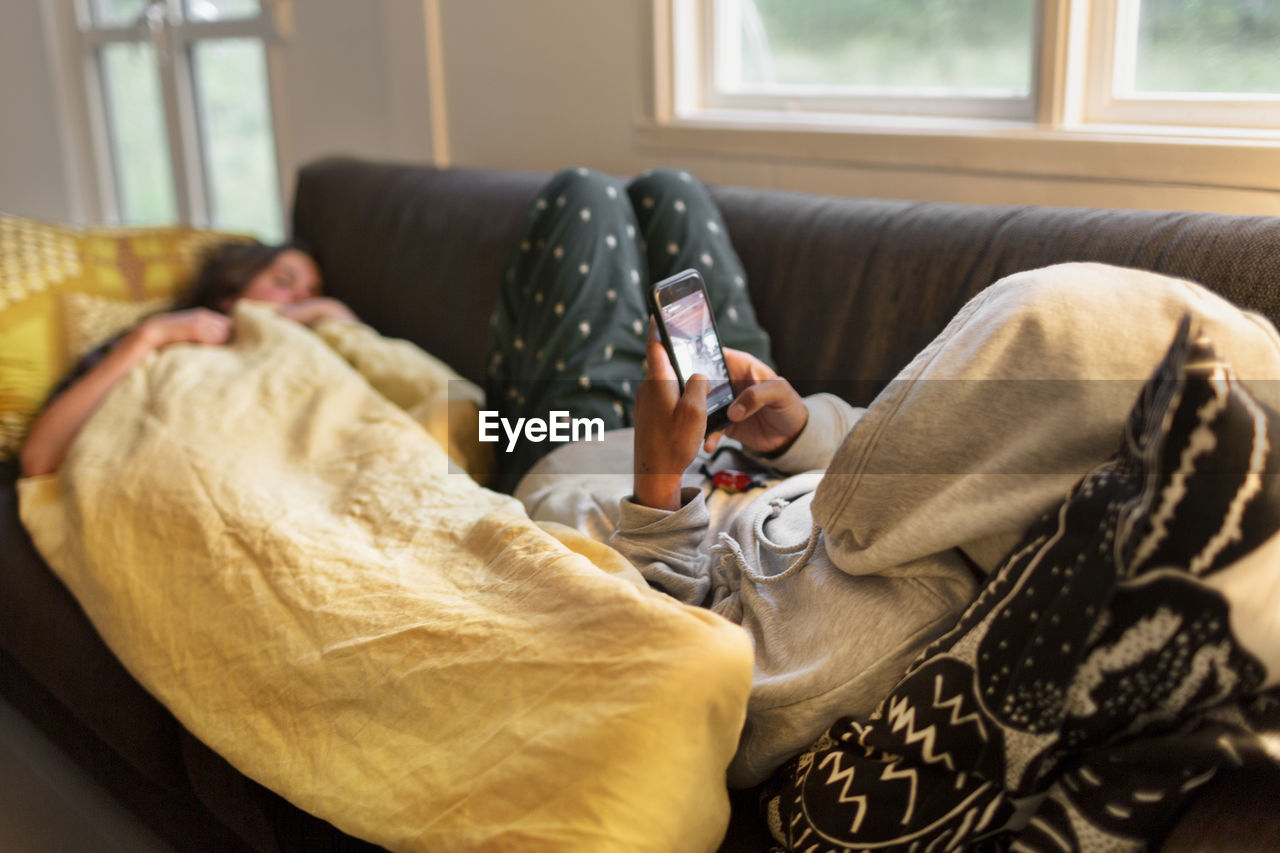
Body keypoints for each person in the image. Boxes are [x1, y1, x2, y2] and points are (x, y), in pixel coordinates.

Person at [485, 166, 1280, 845]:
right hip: (737, 449)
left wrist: (658, 477)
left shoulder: (848, 651)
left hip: (594, 471)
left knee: (581, 196)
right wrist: (798, 428)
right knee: (671, 189)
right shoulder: (968, 501)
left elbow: (660, 663)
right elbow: (903, 453)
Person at [19, 241, 360, 478]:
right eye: (283, 282)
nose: (302, 298)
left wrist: (330, 311)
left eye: (314, 293)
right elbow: (40, 458)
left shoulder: (312, 343)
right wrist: (148, 338)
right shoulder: (163, 343)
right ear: (229, 294)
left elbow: (378, 370)